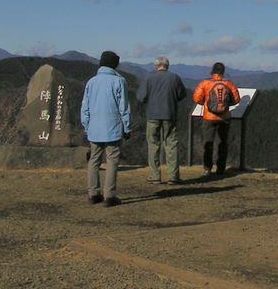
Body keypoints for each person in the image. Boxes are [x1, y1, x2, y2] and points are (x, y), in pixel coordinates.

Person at [80, 50, 131, 207]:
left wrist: (86, 126)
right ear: (115, 65)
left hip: (94, 128)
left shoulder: (91, 82)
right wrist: (127, 127)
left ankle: (93, 193)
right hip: (113, 128)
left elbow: (85, 108)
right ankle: (109, 195)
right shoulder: (119, 81)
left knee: (94, 160)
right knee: (112, 161)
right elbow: (124, 108)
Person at [137, 56, 187, 185]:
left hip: (152, 115)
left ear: (156, 66)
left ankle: (154, 176)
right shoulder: (174, 77)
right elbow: (181, 95)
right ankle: (173, 176)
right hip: (170, 114)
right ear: (167, 66)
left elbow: (141, 97)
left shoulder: (148, 77)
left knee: (153, 145)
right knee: (171, 145)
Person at [192, 62, 240, 176]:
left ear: (212, 71)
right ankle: (221, 169)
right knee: (222, 143)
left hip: (208, 117)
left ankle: (207, 168)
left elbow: (196, 98)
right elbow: (237, 99)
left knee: (208, 143)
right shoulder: (228, 84)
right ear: (223, 72)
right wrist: (226, 105)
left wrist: (205, 103)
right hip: (224, 117)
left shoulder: (205, 83)